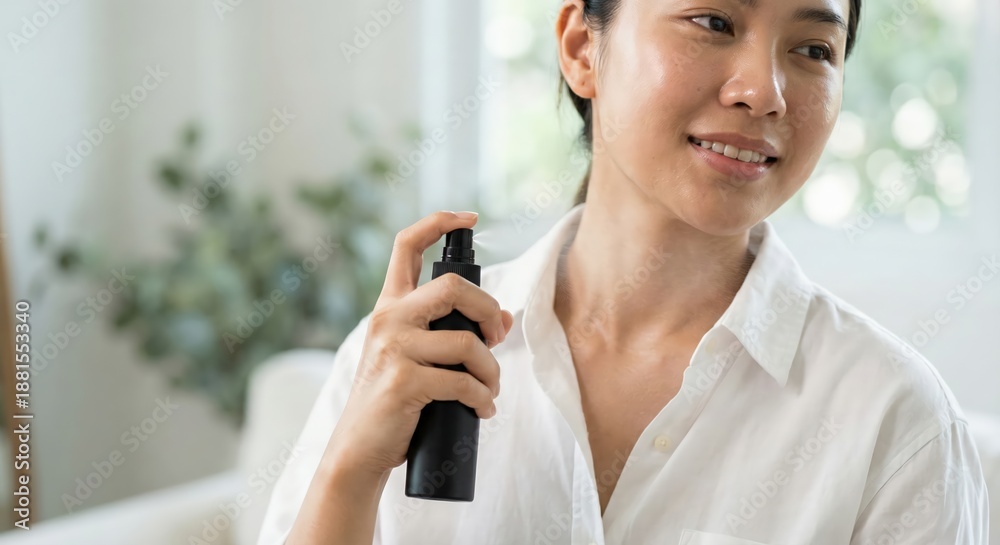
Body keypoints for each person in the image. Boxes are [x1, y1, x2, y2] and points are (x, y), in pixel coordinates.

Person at [259, 0, 990, 543]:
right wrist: (350, 470)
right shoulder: (408, 358)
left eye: (812, 49)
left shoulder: (893, 418)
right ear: (582, 47)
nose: (764, 91)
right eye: (714, 22)